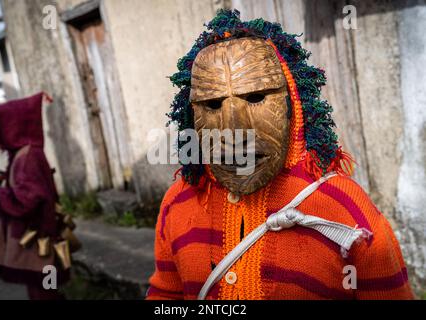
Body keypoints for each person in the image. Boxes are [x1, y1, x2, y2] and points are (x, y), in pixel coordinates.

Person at [146, 10, 414, 300]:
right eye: (212, 104)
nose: (234, 129)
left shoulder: (346, 211)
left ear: (293, 106)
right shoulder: (178, 204)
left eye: (256, 97)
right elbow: (165, 297)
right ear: (190, 115)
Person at [0, 92, 72, 300]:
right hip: (38, 238)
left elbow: (31, 197)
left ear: (14, 126)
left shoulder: (27, 157)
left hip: (37, 240)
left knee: (43, 290)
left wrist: (2, 195)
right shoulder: (25, 153)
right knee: (43, 287)